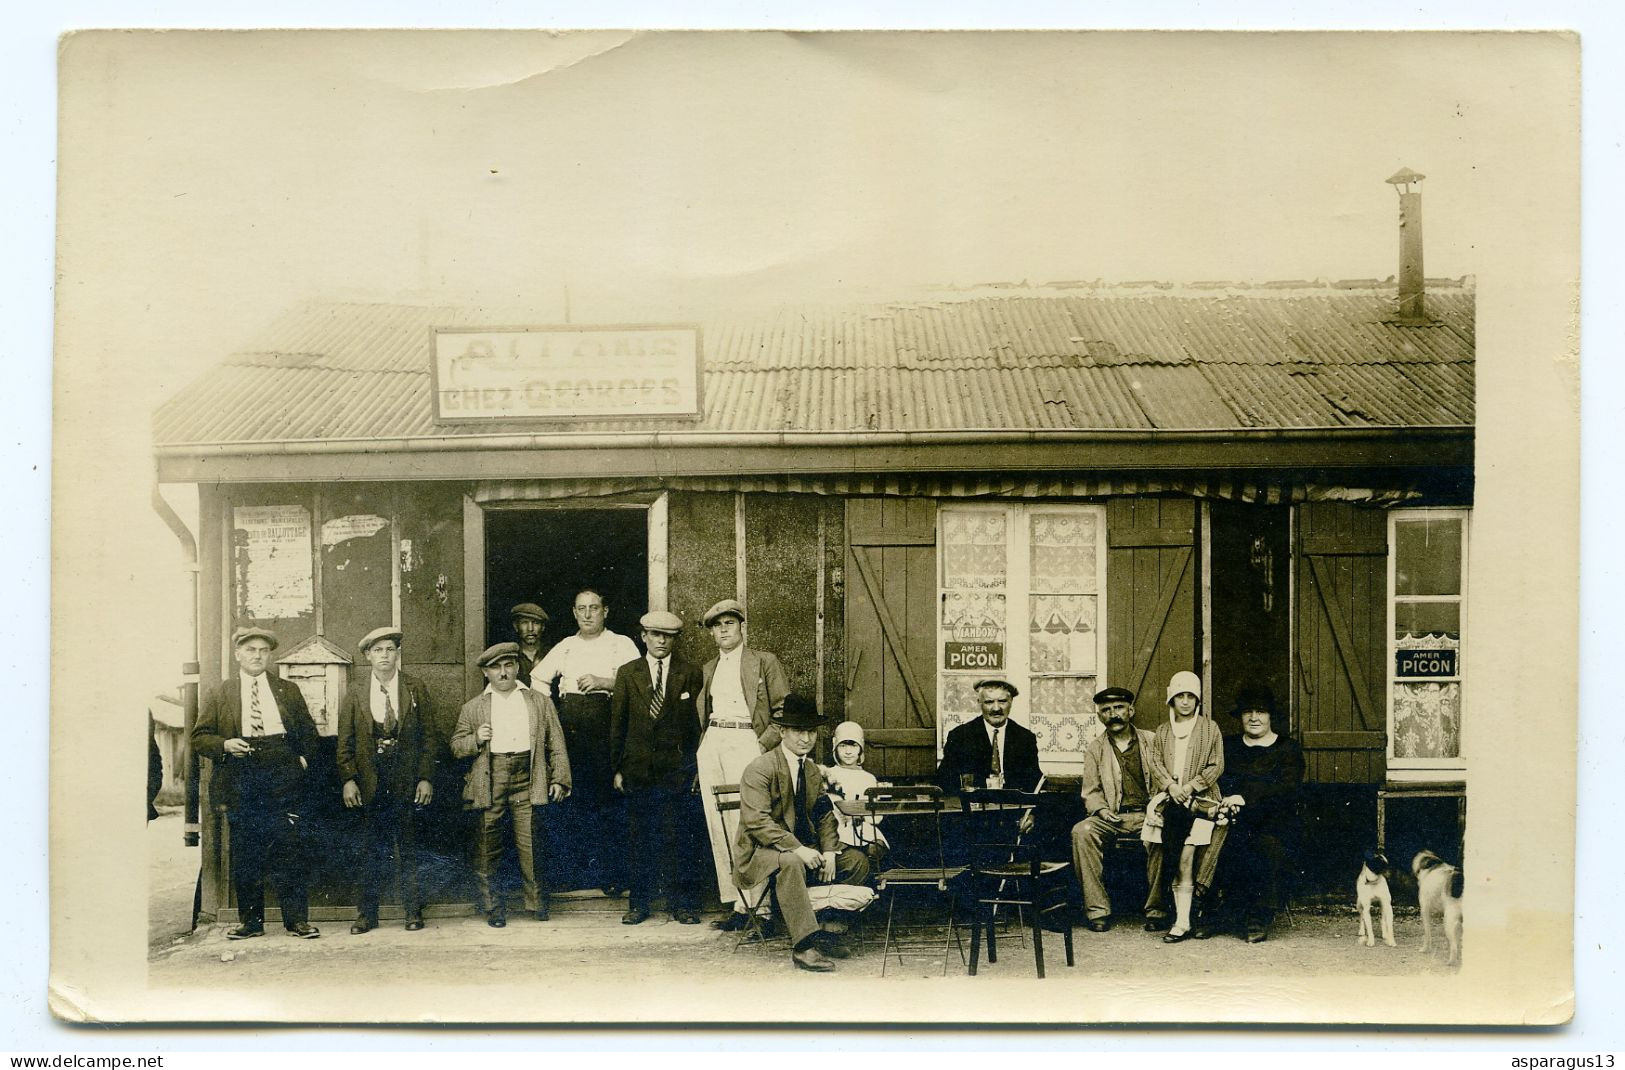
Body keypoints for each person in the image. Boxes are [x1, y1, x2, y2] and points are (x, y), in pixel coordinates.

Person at [191, 627, 321, 940]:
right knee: (247, 850)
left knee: (289, 847)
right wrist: (224, 745)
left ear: (270, 655)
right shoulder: (221, 692)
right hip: (241, 774)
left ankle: (296, 922)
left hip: (282, 772)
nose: (257, 655)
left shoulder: (286, 689)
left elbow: (309, 735)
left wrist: (300, 762)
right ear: (238, 654)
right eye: (250, 650)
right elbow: (199, 737)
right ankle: (251, 923)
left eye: (263, 650)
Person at [733, 695, 871, 972]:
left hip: (803, 849)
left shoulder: (809, 770)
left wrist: (830, 852)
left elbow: (823, 815)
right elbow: (757, 821)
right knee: (792, 862)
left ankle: (827, 931)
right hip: (762, 852)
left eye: (810, 731)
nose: (806, 738)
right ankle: (804, 946)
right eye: (798, 731)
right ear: (782, 731)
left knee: (856, 860)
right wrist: (798, 848)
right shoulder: (760, 768)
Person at [451, 642, 571, 926]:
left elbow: (556, 743)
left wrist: (559, 778)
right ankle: (493, 909)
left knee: (530, 843)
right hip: (491, 776)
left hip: (528, 775)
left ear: (517, 667)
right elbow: (456, 747)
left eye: (508, 666)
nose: (503, 673)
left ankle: (537, 904)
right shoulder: (473, 707)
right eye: (495, 667)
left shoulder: (538, 701)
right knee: (488, 844)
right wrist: (477, 738)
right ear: (485, 672)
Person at [529, 588, 640, 895]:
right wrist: (547, 715)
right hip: (571, 736)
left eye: (594, 608)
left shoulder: (621, 644)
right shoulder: (565, 646)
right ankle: (571, 876)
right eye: (582, 609)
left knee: (609, 804)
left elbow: (640, 682)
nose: (588, 614)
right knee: (570, 802)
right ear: (574, 613)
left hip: (607, 735)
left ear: (606, 611)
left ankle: (613, 877)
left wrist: (604, 681)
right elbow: (538, 680)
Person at [694, 598, 792, 932]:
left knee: (748, 821)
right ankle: (738, 903)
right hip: (714, 742)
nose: (724, 629)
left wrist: (761, 744)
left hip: (746, 740)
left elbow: (783, 709)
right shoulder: (709, 668)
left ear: (741, 627)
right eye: (717, 625)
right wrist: (704, 749)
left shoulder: (763, 661)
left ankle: (760, 908)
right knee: (719, 822)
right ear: (711, 633)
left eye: (729, 623)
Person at [336, 626, 439, 934]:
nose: (384, 656)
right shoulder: (355, 690)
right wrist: (349, 779)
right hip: (370, 783)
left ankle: (412, 911)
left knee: (409, 848)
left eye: (390, 650)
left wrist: (425, 778)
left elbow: (429, 738)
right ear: (368, 656)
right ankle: (367, 915)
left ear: (397, 654)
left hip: (406, 781)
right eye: (377, 650)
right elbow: (345, 741)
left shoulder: (414, 687)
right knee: (369, 849)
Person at [609, 611, 705, 925]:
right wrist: (617, 769)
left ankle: (683, 905)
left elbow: (694, 727)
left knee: (678, 836)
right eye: (655, 635)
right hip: (637, 771)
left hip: (675, 771)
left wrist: (693, 769)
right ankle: (639, 904)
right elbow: (618, 725)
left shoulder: (689, 673)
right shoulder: (627, 672)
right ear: (644, 637)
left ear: (675, 639)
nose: (661, 641)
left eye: (668, 636)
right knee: (639, 838)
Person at [1069, 685, 1167, 933]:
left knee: (1163, 836)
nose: (1113, 714)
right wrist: (1101, 811)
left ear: (1131, 710)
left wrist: (1158, 808)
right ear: (1100, 715)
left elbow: (1168, 778)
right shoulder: (1095, 748)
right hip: (1113, 816)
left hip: (1150, 814)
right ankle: (1097, 911)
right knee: (1082, 832)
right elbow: (1090, 791)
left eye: (1119, 708)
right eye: (1106, 710)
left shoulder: (1152, 740)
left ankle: (1156, 910)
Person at [1215, 685, 1304, 943]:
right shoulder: (1229, 746)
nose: (1254, 717)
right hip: (1234, 818)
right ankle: (1225, 912)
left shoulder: (1287, 748)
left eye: (1261, 711)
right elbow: (1221, 780)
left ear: (1270, 716)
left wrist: (1245, 799)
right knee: (1220, 839)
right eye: (1247, 712)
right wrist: (1227, 802)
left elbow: (1287, 789)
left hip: (1275, 820)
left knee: (1265, 845)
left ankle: (1259, 914)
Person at [1144, 670, 1225, 943]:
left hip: (1202, 800)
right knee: (1173, 851)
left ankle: (1183, 921)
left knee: (1186, 853)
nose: (1186, 702)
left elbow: (1216, 764)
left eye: (1191, 696)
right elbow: (1155, 763)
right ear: (1172, 700)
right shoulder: (1163, 732)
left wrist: (1190, 787)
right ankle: (1179, 916)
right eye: (1181, 696)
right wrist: (1171, 786)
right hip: (1170, 799)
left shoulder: (1210, 729)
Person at [935, 678, 1042, 795]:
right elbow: (945, 780)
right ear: (979, 702)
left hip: (1013, 810)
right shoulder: (961, 736)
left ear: (1011, 701)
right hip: (974, 810)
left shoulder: (1025, 738)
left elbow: (1034, 781)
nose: (996, 708)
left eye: (1002, 701)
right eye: (989, 702)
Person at [821, 720, 888, 874]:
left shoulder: (868, 778)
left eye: (853, 745)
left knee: (875, 849)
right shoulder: (829, 775)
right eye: (843, 746)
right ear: (835, 747)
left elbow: (876, 815)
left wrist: (863, 816)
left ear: (860, 749)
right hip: (838, 829)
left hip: (863, 828)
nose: (848, 751)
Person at [508, 603, 550, 687]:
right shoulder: (510, 656)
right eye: (524, 623)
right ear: (516, 626)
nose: (530, 628)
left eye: (535, 623)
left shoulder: (553, 654)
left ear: (543, 627)